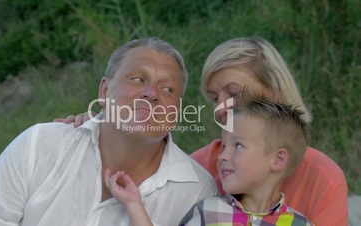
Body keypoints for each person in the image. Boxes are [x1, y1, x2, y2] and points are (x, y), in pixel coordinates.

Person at [56, 37, 348, 225]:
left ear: (275, 93)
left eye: (233, 93)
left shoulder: (320, 178)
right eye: (214, 97)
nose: (221, 108)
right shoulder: (201, 169)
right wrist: (96, 127)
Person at [0, 37, 218, 226]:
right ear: (105, 91)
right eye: (138, 79)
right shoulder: (40, 145)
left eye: (168, 89)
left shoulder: (198, 192)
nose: (151, 94)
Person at [180, 96, 314, 225]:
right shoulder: (207, 212)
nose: (222, 156)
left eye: (238, 145)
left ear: (278, 160)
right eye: (224, 146)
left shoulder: (300, 224)